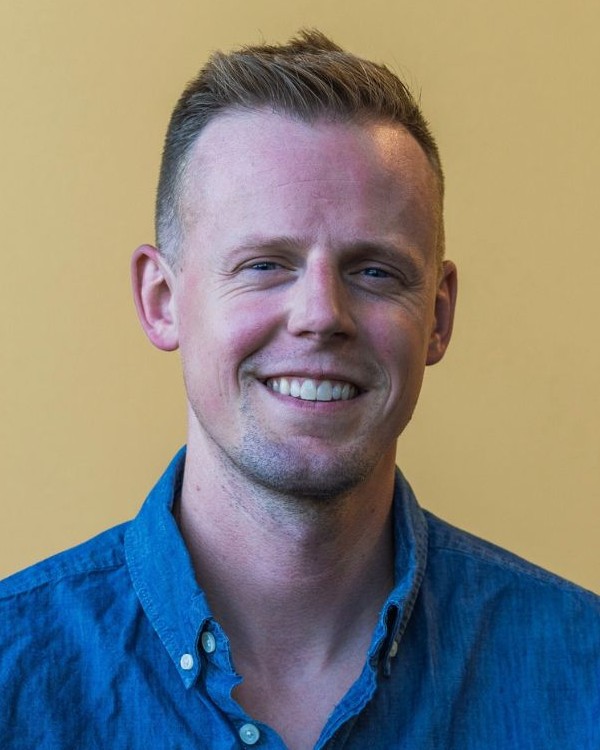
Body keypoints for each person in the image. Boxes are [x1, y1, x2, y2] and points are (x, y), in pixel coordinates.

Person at [0, 29, 598, 750]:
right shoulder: (17, 672)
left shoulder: (582, 673)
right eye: (264, 264)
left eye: (375, 271)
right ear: (161, 299)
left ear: (437, 317)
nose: (321, 315)